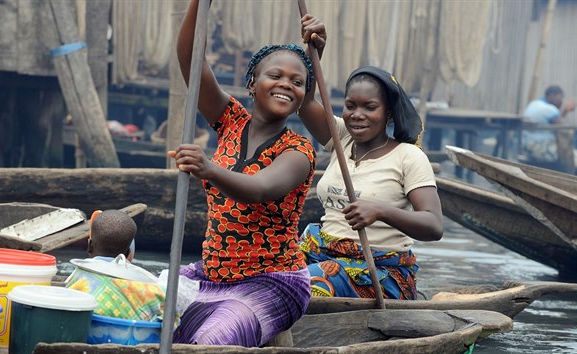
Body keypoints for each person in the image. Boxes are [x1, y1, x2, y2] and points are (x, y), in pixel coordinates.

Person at [167, 0, 319, 347]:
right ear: (253, 83)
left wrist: (208, 168)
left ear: (300, 98)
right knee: (138, 303)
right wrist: (198, 4)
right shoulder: (232, 121)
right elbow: (191, 60)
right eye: (276, 75)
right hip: (212, 273)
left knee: (212, 340)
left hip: (272, 281)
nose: (286, 84)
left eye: (297, 82)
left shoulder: (298, 151)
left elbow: (259, 189)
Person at [296, 15, 443, 300]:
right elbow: (305, 103)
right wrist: (315, 51)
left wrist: (380, 211)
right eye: (350, 106)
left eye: (369, 107)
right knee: (266, 272)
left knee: (307, 284)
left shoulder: (408, 157)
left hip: (376, 273)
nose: (357, 115)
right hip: (322, 254)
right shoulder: (341, 139)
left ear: (387, 112)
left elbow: (434, 226)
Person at [521, 85, 576, 170]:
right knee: (565, 150)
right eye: (560, 98)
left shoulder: (534, 103)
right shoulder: (550, 109)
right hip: (541, 148)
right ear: (551, 96)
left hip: (524, 145)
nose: (561, 101)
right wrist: (565, 110)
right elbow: (560, 126)